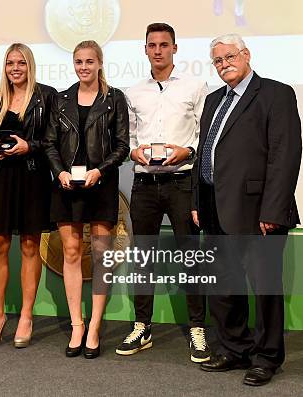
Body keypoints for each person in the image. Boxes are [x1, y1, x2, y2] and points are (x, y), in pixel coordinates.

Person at [193, 33, 301, 386]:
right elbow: (205, 154)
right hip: (215, 209)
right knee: (224, 285)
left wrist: (273, 210)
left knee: (265, 287)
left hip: (259, 212)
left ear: (246, 55)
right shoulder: (212, 101)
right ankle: (235, 348)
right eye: (218, 61)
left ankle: (267, 357)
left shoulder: (275, 93)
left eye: (229, 57)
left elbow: (284, 156)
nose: (224, 64)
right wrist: (198, 202)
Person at [116, 23, 210, 363]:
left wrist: (187, 149)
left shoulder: (195, 86)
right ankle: (143, 326)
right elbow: (126, 136)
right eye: (152, 45)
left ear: (175, 48)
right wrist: (132, 151)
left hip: (182, 183)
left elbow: (205, 133)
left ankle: (198, 328)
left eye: (164, 44)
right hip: (145, 184)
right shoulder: (133, 92)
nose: (158, 50)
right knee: (143, 259)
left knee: (189, 258)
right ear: (145, 50)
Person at [44, 40, 129, 359]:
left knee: (100, 255)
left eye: (89, 61)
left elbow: (122, 146)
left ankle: (94, 326)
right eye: (79, 61)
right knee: (69, 251)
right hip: (66, 186)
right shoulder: (61, 99)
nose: (83, 67)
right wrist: (59, 172)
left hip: (100, 185)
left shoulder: (114, 98)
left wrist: (100, 170)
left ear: (100, 63)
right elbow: (50, 143)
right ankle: (76, 325)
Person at [0, 43, 57, 348]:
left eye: (21, 63)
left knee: (29, 246)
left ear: (30, 66)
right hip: (3, 179)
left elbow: (53, 139)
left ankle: (26, 316)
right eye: (11, 63)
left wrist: (31, 146)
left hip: (33, 177)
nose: (15, 68)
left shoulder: (46, 95)